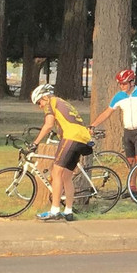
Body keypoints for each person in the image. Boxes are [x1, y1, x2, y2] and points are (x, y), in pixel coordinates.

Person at [30, 83, 94, 222]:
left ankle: (54, 210)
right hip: (82, 138)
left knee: (56, 173)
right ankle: (68, 211)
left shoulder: (50, 102)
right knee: (66, 176)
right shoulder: (63, 102)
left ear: (45, 97)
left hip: (71, 137)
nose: (40, 106)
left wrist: (35, 143)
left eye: (39, 102)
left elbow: (48, 125)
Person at [89, 69, 137, 195]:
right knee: (130, 160)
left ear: (132, 82)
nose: (122, 86)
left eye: (125, 83)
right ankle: (132, 188)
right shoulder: (119, 96)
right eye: (120, 84)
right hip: (128, 131)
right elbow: (107, 112)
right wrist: (93, 125)